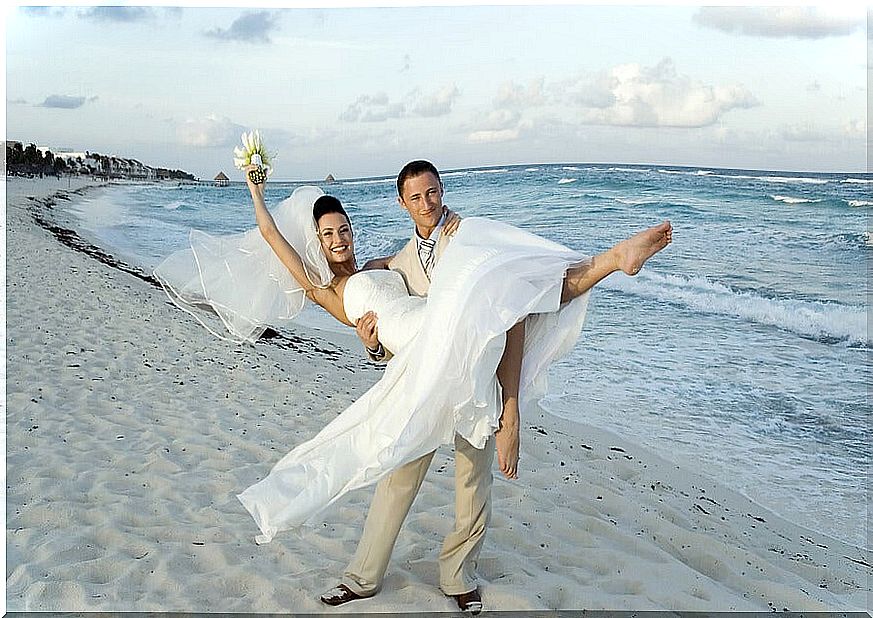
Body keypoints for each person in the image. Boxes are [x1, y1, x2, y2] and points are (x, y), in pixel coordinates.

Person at [227, 160, 671, 613]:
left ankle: (459, 576)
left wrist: (455, 245)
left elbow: (422, 284)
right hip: (420, 362)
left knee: (474, 465)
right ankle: (363, 577)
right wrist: (256, 190)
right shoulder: (324, 288)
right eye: (327, 235)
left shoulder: (389, 262)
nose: (339, 240)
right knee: (398, 475)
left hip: (437, 337)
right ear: (314, 242)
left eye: (343, 230)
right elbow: (270, 236)